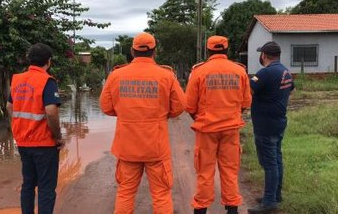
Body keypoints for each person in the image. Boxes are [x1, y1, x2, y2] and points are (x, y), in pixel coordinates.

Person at [99, 32, 186, 214]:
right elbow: (179, 106)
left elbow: (106, 107)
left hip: (127, 147)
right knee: (161, 194)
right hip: (156, 147)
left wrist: (125, 113)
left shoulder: (116, 75)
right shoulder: (166, 75)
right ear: (155, 52)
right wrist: (162, 115)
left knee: (125, 192)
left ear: (132, 51)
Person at [185, 35, 252, 214]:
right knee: (230, 171)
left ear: (208, 51)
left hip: (206, 130)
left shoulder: (199, 71)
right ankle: (232, 209)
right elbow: (246, 102)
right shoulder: (239, 71)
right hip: (231, 130)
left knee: (204, 172)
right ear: (226, 50)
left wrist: (200, 118)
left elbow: (189, 105)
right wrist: (233, 117)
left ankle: (201, 209)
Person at [7, 43, 64, 214]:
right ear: (48, 61)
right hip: (44, 144)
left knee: (28, 184)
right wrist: (58, 137)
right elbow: (51, 112)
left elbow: (9, 107)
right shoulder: (47, 80)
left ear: (29, 60)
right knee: (46, 188)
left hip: (23, 143)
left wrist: (18, 128)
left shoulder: (16, 79)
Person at [247, 41, 294, 214]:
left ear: (264, 55)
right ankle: (275, 195)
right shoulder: (285, 71)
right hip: (279, 121)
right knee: (276, 159)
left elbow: (247, 91)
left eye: (261, 53)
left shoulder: (265, 73)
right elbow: (291, 90)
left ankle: (269, 202)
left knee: (269, 163)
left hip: (265, 124)